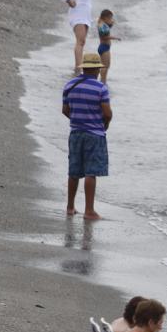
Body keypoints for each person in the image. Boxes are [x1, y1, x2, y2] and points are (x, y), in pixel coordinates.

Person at [62, 52, 112, 221]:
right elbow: (107, 113)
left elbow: (65, 110)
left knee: (74, 171)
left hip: (75, 133)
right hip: (94, 134)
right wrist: (105, 125)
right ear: (97, 69)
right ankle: (89, 210)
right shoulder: (101, 88)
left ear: (84, 68)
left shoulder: (69, 85)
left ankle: (70, 207)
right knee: (91, 172)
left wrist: (77, 120)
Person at [60, 0, 93, 73]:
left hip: (85, 15)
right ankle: (78, 68)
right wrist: (69, 1)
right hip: (77, 14)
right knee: (80, 41)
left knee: (82, 41)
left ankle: (78, 65)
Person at [96, 9, 118, 84]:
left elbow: (106, 31)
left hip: (105, 47)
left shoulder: (103, 24)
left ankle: (103, 81)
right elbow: (103, 37)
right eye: (110, 18)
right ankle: (102, 82)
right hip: (104, 47)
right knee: (105, 66)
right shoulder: (101, 25)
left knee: (106, 66)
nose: (111, 20)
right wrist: (114, 38)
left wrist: (111, 24)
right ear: (105, 18)